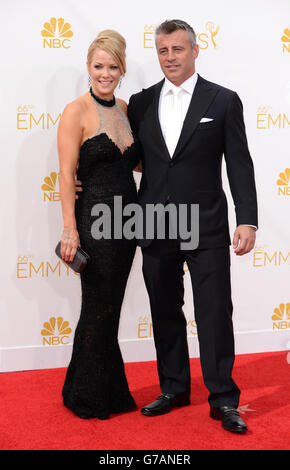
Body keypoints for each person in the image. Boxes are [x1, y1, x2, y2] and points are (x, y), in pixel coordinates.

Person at [126, 19, 258, 433]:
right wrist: (85, 176)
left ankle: (223, 398)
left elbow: (239, 163)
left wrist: (248, 219)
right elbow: (130, 159)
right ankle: (174, 387)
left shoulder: (222, 100)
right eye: (163, 51)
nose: (170, 58)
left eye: (178, 50)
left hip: (206, 224)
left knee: (215, 312)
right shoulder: (141, 102)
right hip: (154, 221)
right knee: (165, 310)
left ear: (195, 51)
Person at [57, 30, 140, 419]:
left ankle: (101, 390)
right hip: (95, 223)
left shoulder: (124, 107)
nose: (105, 73)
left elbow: (135, 162)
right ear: (87, 67)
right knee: (96, 308)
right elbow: (65, 173)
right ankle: (85, 396)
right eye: (98, 66)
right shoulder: (75, 111)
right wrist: (69, 229)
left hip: (128, 226)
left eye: (112, 66)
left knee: (111, 308)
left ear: (121, 69)